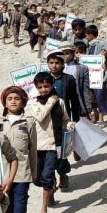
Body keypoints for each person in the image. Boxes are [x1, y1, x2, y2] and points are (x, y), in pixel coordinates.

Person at [0, 87, 37, 213]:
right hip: (1, 176)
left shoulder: (29, 122)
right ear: (4, 102)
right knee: (8, 209)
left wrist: (34, 173)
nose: (13, 101)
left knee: (19, 211)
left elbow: (32, 150)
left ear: (23, 102)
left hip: (21, 175)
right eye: (9, 98)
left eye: (17, 98)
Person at [28, 72, 75, 213]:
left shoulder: (59, 102)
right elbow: (40, 117)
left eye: (46, 86)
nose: (43, 90)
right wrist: (50, 102)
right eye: (40, 87)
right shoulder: (33, 104)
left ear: (52, 85)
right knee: (38, 179)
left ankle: (43, 210)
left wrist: (69, 124)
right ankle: (51, 189)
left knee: (47, 175)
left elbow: (65, 119)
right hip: (37, 147)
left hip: (54, 145)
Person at [45, 51, 82, 190]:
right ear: (47, 64)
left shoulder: (68, 79)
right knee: (48, 151)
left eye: (57, 63)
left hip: (63, 120)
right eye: (51, 63)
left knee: (61, 150)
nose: (54, 66)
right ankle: (51, 179)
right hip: (46, 121)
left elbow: (74, 100)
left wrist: (76, 119)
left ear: (62, 64)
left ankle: (62, 174)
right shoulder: (43, 79)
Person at [86, 24, 107, 127]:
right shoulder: (89, 46)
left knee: (100, 96)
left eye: (87, 35)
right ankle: (96, 114)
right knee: (91, 96)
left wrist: (106, 54)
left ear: (91, 35)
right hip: (90, 74)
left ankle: (101, 118)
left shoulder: (102, 44)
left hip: (99, 75)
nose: (86, 37)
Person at [62, 43, 92, 122]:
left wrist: (88, 108)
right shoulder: (57, 68)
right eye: (62, 53)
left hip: (76, 102)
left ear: (73, 53)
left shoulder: (82, 69)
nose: (64, 56)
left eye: (67, 53)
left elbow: (85, 90)